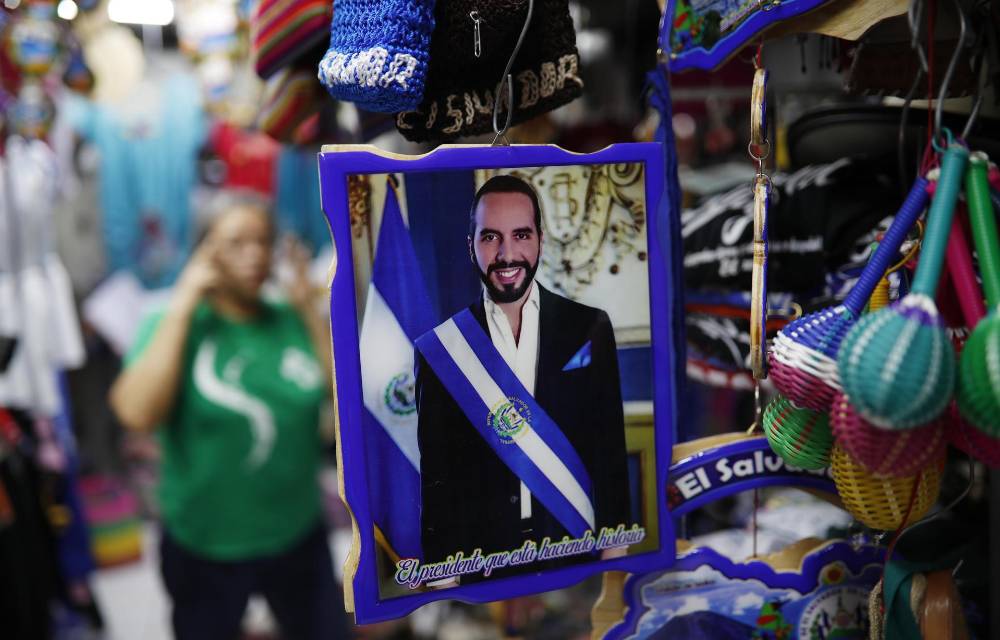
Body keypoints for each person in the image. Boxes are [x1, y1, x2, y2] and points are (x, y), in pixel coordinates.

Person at [109, 200, 346, 640]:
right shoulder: (173, 321)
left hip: (296, 534)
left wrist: (308, 312)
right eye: (236, 243)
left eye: (262, 242)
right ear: (205, 252)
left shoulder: (288, 317)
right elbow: (135, 413)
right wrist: (185, 298)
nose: (255, 254)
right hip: (205, 545)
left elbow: (342, 396)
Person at [414, 175, 631, 582]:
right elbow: (438, 474)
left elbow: (609, 451)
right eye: (491, 237)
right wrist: (444, 575)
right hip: (484, 561)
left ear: (541, 241)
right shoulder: (439, 350)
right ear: (471, 246)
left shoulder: (589, 327)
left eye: (521, 235)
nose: (507, 253)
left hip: (574, 546)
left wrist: (615, 549)